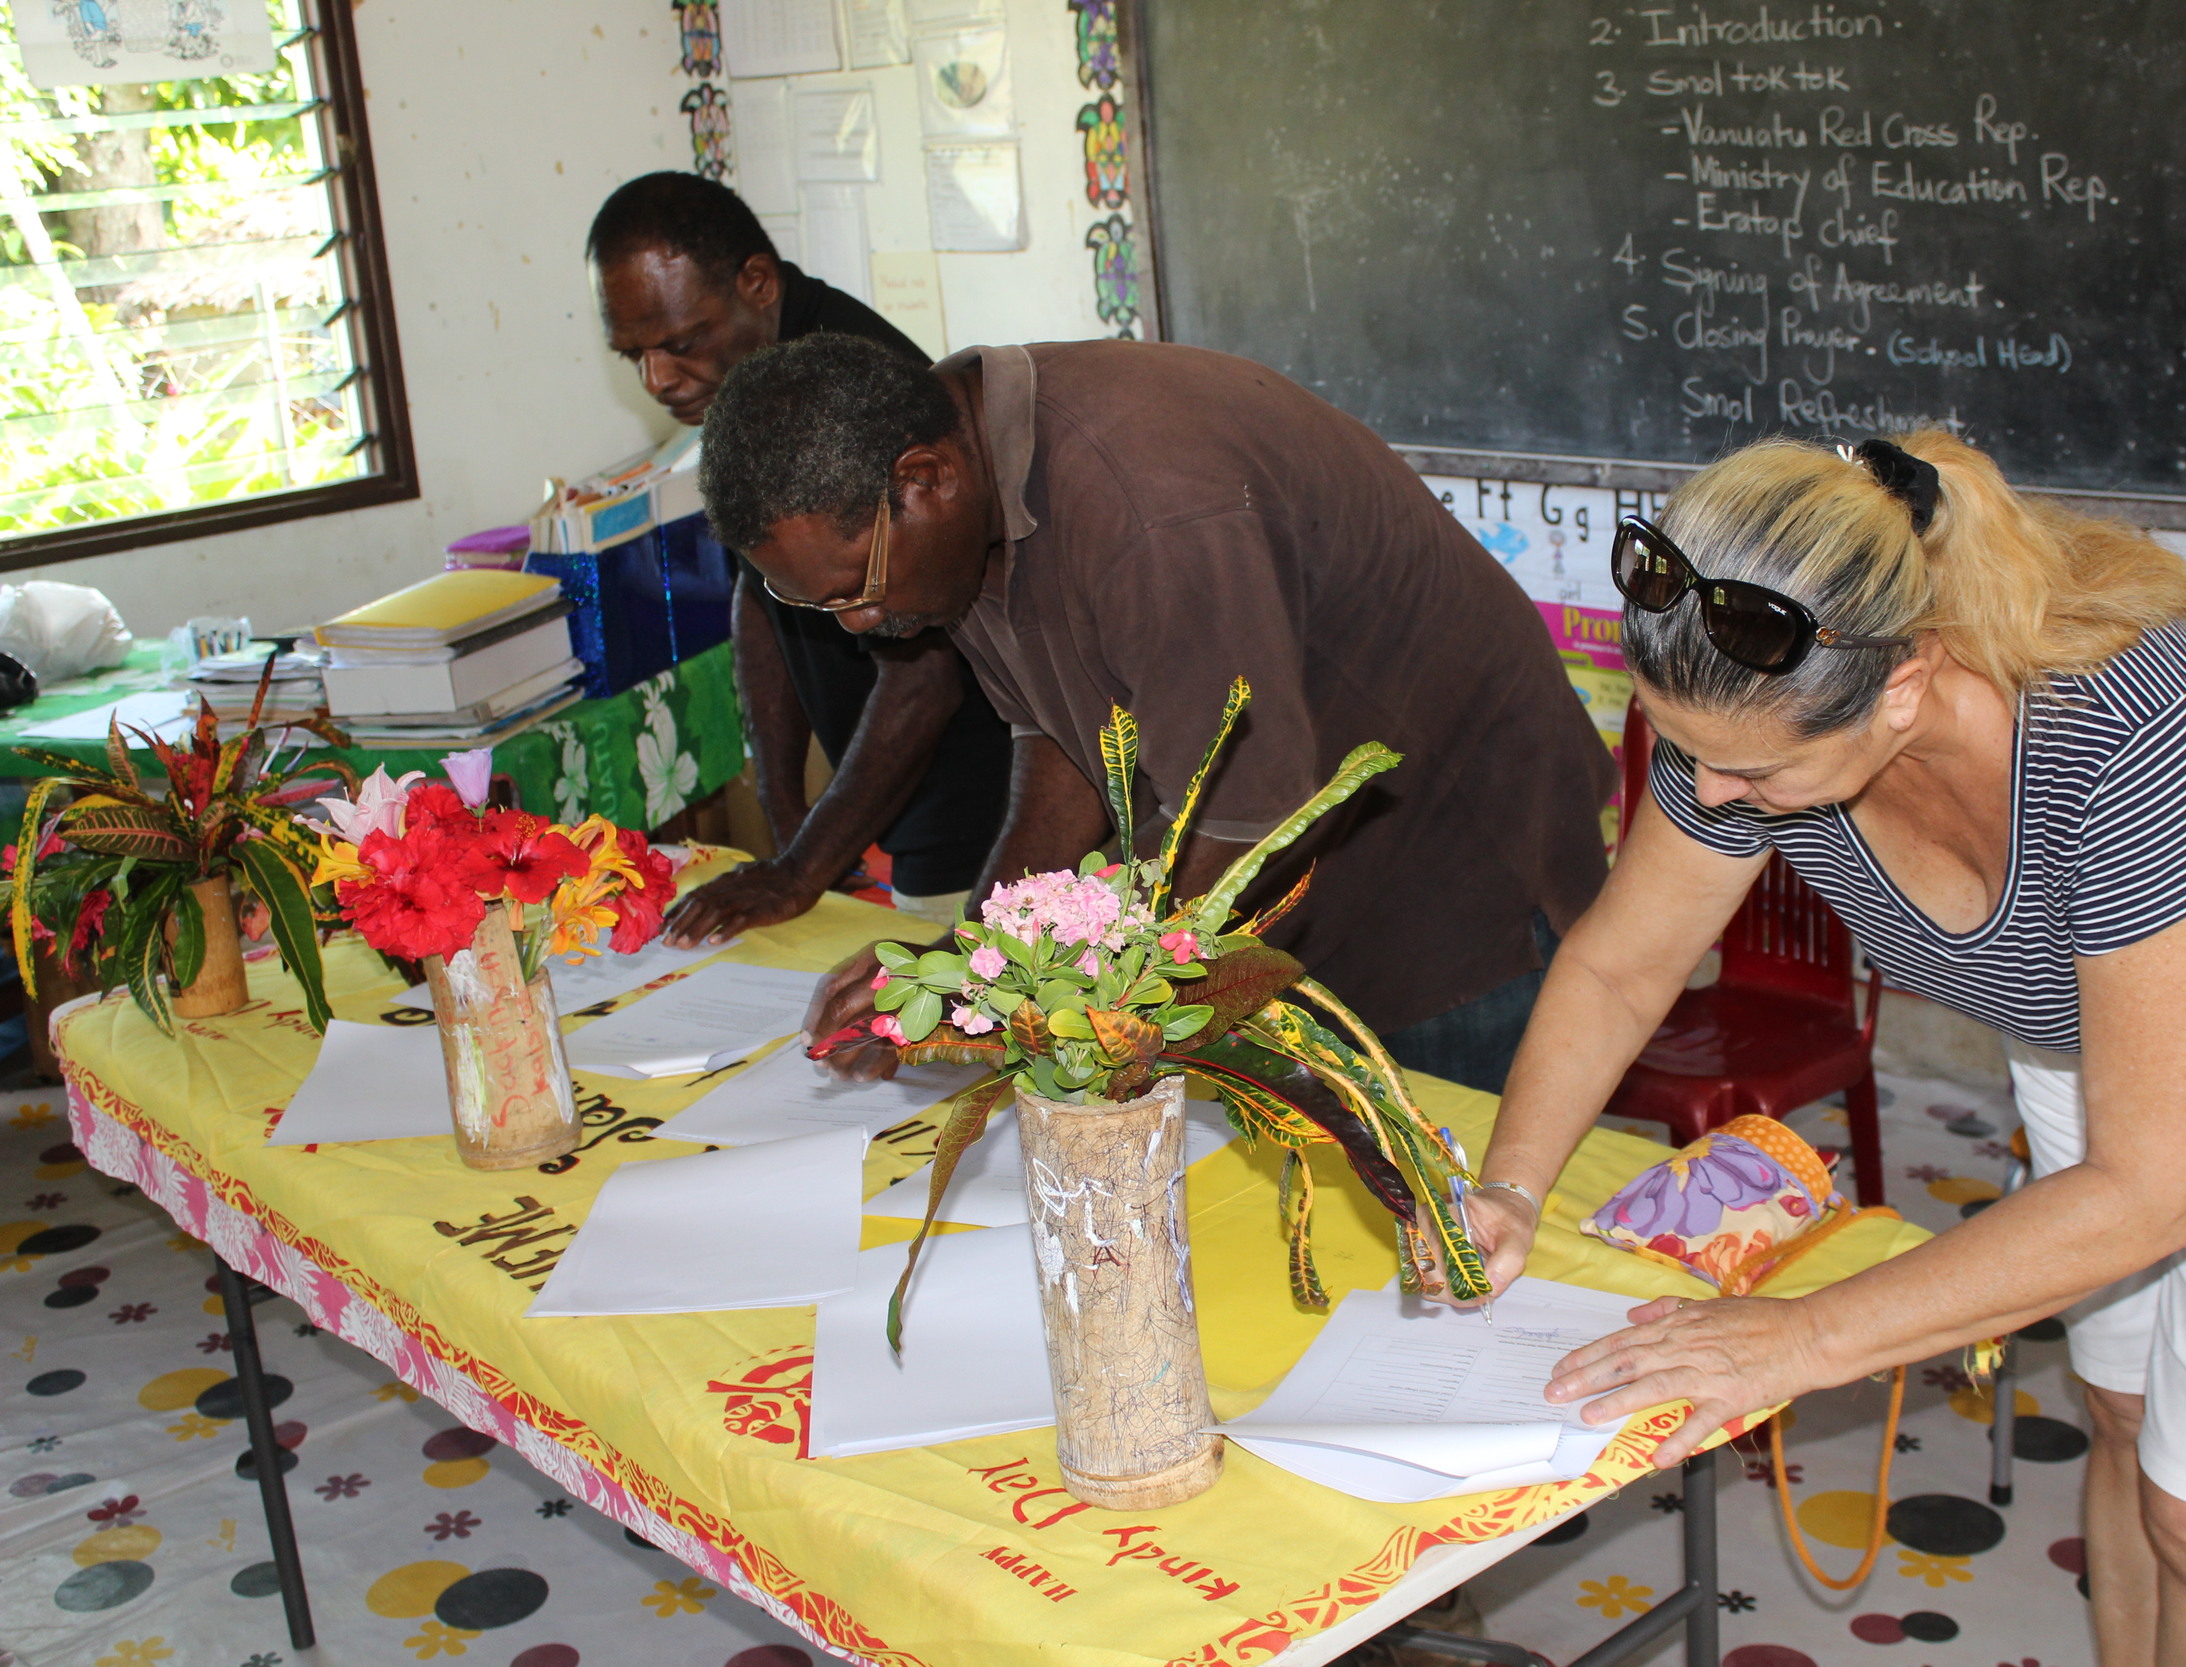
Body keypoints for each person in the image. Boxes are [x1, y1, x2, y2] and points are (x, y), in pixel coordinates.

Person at [1463, 432, 2186, 1667]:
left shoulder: (2133, 732)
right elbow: (1620, 962)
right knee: (2122, 1411)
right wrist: (1507, 1187)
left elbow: (2157, 1184)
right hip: (2093, 1028)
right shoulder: (1745, 703)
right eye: (1689, 755)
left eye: (1751, 772)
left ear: (1905, 683)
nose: (1713, 798)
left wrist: (1804, 1334)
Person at [694, 331, 1618, 1090]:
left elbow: (1254, 830)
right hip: (1296, 860)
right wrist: (962, 968)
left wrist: (1034, 1004)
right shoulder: (951, 521)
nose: (858, 622)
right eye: (820, 606)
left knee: (1454, 1223)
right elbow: (1062, 750)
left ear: (925, 478)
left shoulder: (1149, 511)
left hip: (1450, 867)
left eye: (857, 588)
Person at [583, 171, 1010, 935]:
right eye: (633, 355)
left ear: (756, 282)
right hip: (892, 801)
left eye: (682, 343)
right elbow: (761, 586)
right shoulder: (746, 388)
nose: (657, 378)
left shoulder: (852, 386)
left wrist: (801, 868)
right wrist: (781, 796)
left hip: (972, 803)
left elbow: (926, 681)